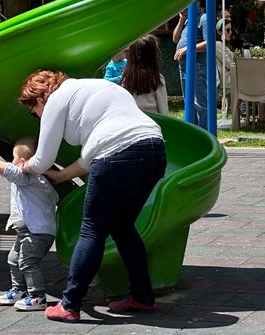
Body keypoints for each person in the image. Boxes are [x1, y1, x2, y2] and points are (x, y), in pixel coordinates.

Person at [18, 70, 166, 322]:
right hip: (154, 151)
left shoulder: (54, 100)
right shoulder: (98, 89)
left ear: (39, 98)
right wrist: (63, 176)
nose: (37, 117)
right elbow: (90, 156)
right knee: (122, 227)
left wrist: (25, 166)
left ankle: (70, 303)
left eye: (33, 112)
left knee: (92, 230)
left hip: (117, 156)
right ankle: (142, 296)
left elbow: (43, 159)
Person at [0, 137, 59, 312]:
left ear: (23, 162)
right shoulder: (37, 180)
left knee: (28, 262)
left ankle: (37, 296)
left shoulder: (29, 177)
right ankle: (19, 290)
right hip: (28, 230)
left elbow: (12, 172)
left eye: (13, 158)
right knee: (14, 259)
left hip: (37, 232)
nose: (11, 161)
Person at [172, 6, 208, 128]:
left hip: (197, 66)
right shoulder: (187, 20)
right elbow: (175, 39)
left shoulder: (203, 18)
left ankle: (205, 133)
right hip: (184, 67)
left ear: (198, 3)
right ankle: (194, 132)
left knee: (200, 103)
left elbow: (208, 43)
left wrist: (188, 49)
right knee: (188, 103)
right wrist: (181, 20)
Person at [122, 34, 169, 115]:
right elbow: (163, 108)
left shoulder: (126, 79)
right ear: (152, 57)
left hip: (133, 120)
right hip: (152, 122)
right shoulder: (157, 79)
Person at [215, 18, 234, 102]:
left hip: (230, 80)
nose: (230, 33)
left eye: (231, 30)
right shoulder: (218, 45)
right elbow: (229, 65)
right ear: (219, 32)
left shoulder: (223, 44)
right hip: (227, 82)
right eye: (228, 30)